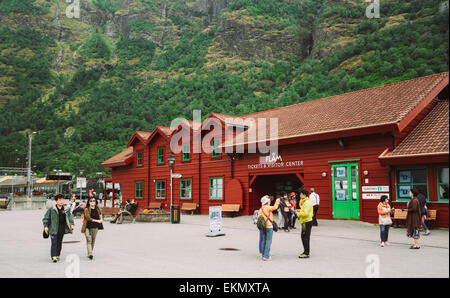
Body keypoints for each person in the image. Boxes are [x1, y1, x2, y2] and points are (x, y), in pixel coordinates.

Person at [42, 194, 75, 263]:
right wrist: (46, 226)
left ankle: (57, 255)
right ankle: (53, 256)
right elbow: (46, 218)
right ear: (56, 201)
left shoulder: (66, 209)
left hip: (61, 228)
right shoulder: (52, 209)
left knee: (59, 242)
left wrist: (72, 224)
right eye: (59, 200)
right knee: (54, 242)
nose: (61, 201)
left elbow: (70, 217)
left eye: (62, 200)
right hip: (53, 228)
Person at [258, 195, 281, 261]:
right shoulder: (268, 207)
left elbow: (259, 216)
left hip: (263, 226)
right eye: (269, 201)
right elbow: (275, 207)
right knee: (268, 241)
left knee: (264, 240)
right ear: (267, 202)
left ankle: (263, 254)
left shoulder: (261, 208)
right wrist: (277, 201)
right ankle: (266, 256)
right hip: (269, 226)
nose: (269, 202)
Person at [297, 189, 313, 258]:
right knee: (304, 237)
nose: (300, 195)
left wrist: (298, 214)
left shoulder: (306, 202)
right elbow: (304, 210)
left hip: (306, 221)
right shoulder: (305, 201)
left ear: (304, 195)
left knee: (305, 237)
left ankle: (306, 253)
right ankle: (305, 251)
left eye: (301, 194)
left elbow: (305, 213)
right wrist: (299, 210)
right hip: (305, 221)